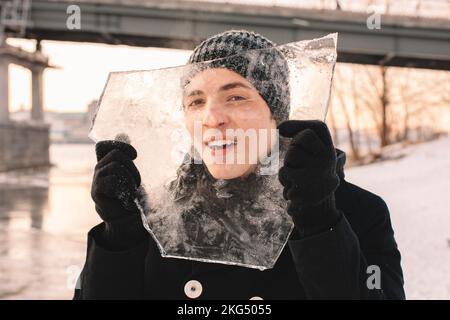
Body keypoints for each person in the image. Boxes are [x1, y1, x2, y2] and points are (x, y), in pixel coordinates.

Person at [74, 29, 405, 300]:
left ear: (276, 114)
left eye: (236, 97)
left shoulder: (357, 211)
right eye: (196, 101)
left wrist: (319, 223)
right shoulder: (154, 214)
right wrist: (118, 236)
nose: (212, 118)